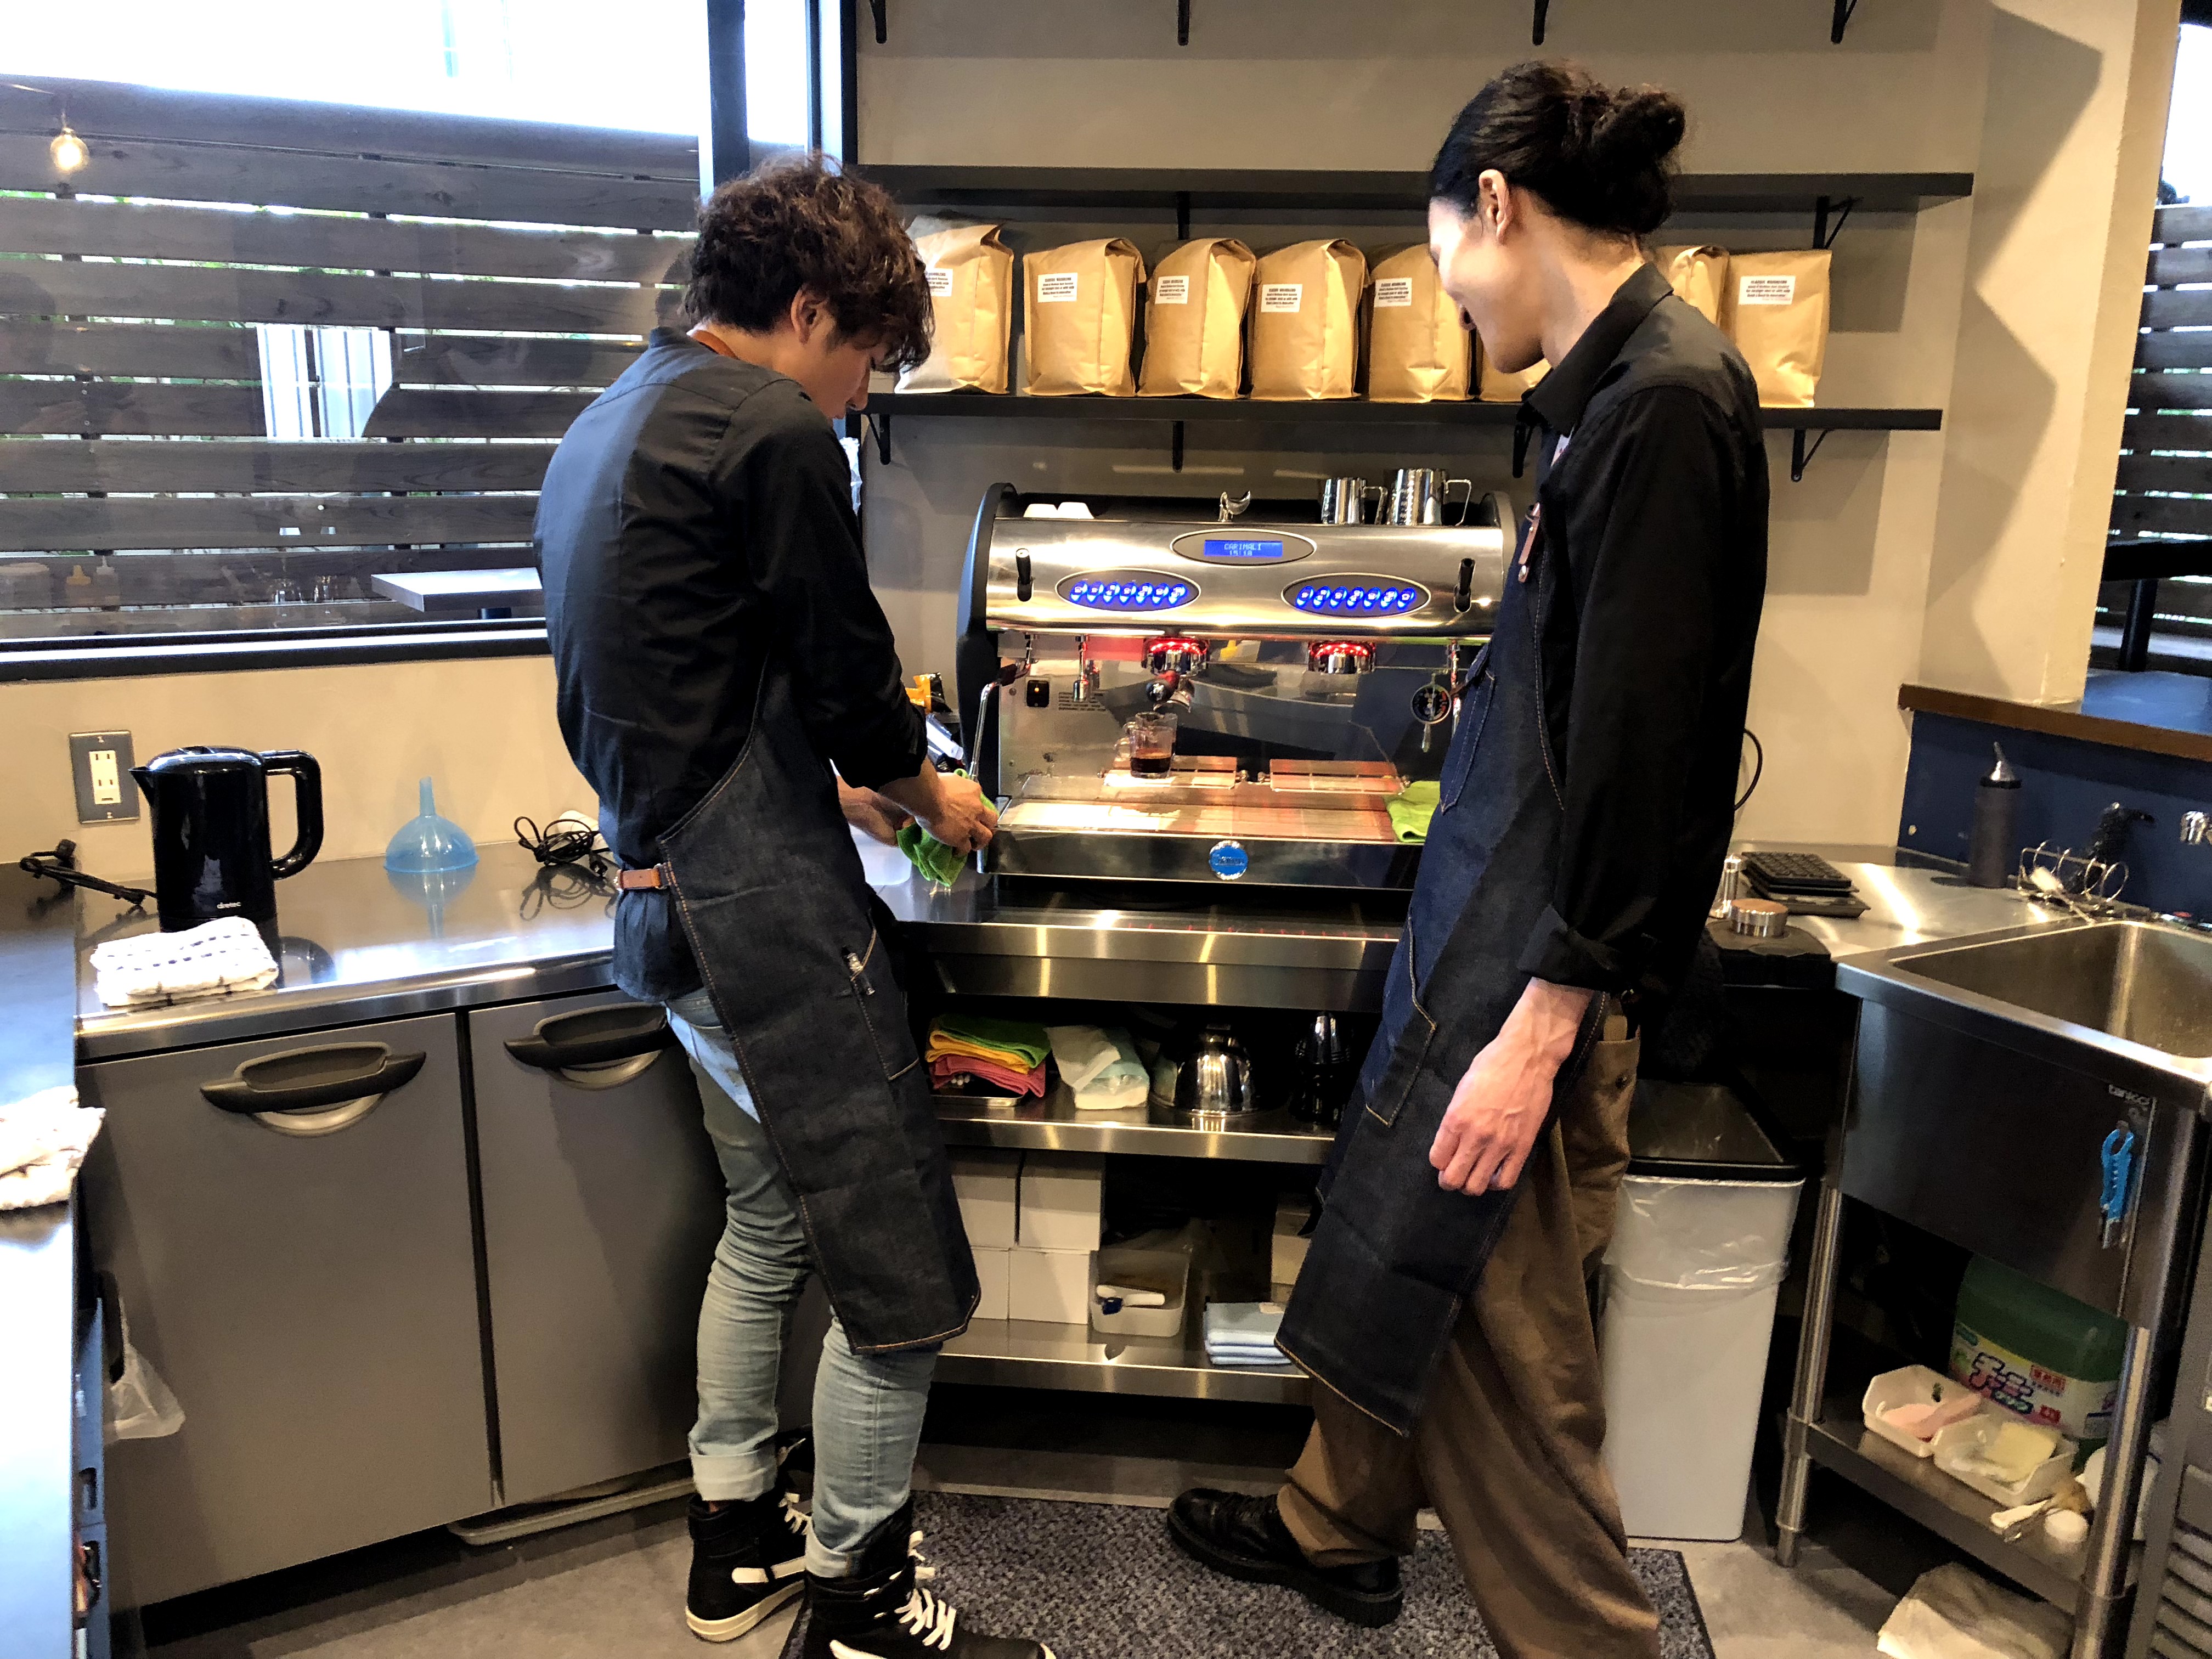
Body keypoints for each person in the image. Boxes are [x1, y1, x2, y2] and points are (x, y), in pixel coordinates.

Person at [1170, 61, 1769, 1659]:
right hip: (1497, 946)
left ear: (1496, 205)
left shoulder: (1661, 406)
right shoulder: (1607, 393)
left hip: (1534, 977)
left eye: (1439, 250)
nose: (1441, 292)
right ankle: (1337, 1520)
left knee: (1505, 1358)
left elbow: (1643, 756)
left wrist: (1543, 1026)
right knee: (1406, 1267)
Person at [538, 156, 1052, 1659]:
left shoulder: (607, 424)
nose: (858, 397)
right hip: (763, 925)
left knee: (766, 1224)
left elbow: (680, 681)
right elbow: (847, 674)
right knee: (902, 1280)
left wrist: (837, 785)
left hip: (663, 907)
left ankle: (737, 1538)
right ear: (813, 309)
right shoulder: (767, 427)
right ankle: (861, 1600)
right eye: (867, 361)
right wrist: (922, 788)